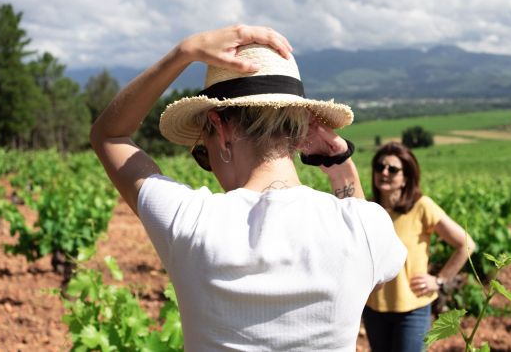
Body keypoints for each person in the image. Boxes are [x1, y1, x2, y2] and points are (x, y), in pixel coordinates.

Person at [90, 25, 407, 351]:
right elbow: (378, 278)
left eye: (204, 151)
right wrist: (340, 165)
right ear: (302, 135)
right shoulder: (364, 227)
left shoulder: (189, 222)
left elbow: (108, 135)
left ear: (219, 128)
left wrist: (183, 53)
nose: (209, 163)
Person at [363, 142, 475, 352]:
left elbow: (466, 245)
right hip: (374, 308)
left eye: (393, 169)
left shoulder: (422, 207)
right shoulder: (369, 209)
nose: (384, 172)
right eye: (379, 167)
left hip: (412, 310)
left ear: (406, 178)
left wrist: (440, 280)